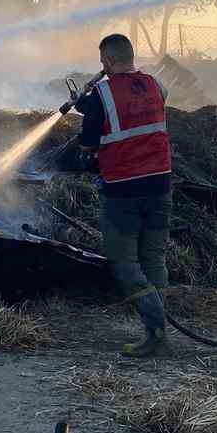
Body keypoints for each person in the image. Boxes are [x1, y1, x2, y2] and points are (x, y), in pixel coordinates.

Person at [71, 33, 174, 358]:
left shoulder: (101, 92)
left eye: (103, 62)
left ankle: (157, 330)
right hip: (160, 185)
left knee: (125, 262)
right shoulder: (156, 84)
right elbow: (134, 110)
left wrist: (86, 105)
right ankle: (158, 332)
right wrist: (91, 105)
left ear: (109, 61)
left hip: (123, 190)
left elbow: (87, 146)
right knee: (154, 258)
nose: (102, 67)